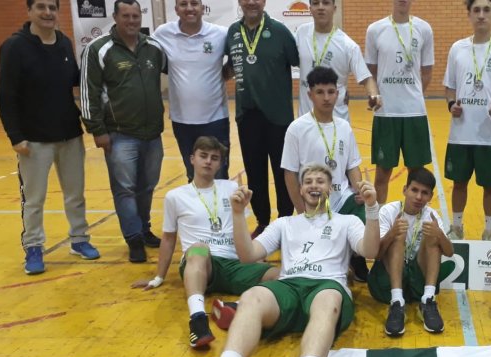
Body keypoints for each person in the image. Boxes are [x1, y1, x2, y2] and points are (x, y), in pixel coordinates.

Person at [183, 164, 380, 357]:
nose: (314, 186)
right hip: (288, 287)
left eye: (320, 181)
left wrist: (371, 208)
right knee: (251, 296)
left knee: (328, 299)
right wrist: (237, 214)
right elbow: (248, 255)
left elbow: (370, 250)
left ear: (330, 189)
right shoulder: (284, 223)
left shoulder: (347, 221)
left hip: (327, 285)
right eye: (308, 181)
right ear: (300, 189)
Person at [130, 137, 278, 349]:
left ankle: (232, 307)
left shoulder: (231, 187)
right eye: (203, 156)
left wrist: (254, 256)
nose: (208, 161)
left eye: (214, 158)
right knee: (199, 248)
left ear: (220, 164)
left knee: (280, 275)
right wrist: (158, 277)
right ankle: (198, 321)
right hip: (200, 263)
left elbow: (241, 227)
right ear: (192, 159)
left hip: (233, 263)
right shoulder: (175, 196)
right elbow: (169, 238)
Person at [0, 0, 100, 275]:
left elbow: (74, 80)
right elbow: (5, 95)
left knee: (75, 195)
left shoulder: (64, 43)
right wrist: (15, 136)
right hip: (33, 140)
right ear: (29, 11)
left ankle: (79, 239)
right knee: (34, 199)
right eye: (41, 7)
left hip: (70, 135)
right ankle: (33, 246)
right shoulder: (14, 46)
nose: (47, 13)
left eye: (52, 8)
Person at [80, 0, 165, 263]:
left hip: (153, 134)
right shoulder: (98, 49)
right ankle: (134, 239)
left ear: (141, 17)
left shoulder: (153, 47)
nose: (131, 21)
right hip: (120, 134)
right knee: (125, 189)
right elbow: (88, 92)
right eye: (125, 15)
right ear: (115, 17)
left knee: (147, 187)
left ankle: (144, 228)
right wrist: (97, 130)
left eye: (135, 16)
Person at [282, 66, 370, 281]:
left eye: (331, 92)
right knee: (314, 257)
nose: (326, 98)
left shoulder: (344, 127)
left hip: (342, 198)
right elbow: (290, 174)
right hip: (314, 201)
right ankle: (340, 257)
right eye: (320, 92)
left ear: (337, 93)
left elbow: (352, 166)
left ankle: (356, 256)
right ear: (310, 94)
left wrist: (359, 189)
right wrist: (301, 211)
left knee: (370, 215)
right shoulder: (297, 128)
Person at [443, 0, 491, 240]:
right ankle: (456, 227)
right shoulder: (457, 48)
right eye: (476, 10)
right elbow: (450, 87)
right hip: (461, 132)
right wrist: (451, 105)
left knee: (490, 185)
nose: (481, 15)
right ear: (469, 14)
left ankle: (489, 230)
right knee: (459, 183)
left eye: (486, 10)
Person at [226, 0, 300, 238]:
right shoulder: (233, 32)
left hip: (279, 116)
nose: (251, 2)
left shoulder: (279, 31)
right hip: (247, 116)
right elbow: (228, 67)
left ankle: (285, 221)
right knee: (255, 173)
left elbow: (301, 61)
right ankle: (263, 223)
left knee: (283, 172)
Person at [368, 167, 454, 337]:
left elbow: (450, 252)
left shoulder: (431, 215)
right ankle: (396, 302)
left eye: (425, 193)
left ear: (430, 196)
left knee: (433, 236)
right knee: (397, 236)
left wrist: (439, 235)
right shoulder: (388, 211)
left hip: (417, 280)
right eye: (414, 190)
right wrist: (392, 233)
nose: (419, 197)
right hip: (389, 278)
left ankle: (428, 299)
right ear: (405, 190)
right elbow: (375, 255)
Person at [152, 0, 231, 182]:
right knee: (193, 174)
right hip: (182, 121)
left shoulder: (220, 34)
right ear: (176, 9)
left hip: (215, 120)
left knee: (219, 175)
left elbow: (237, 59)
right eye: (183, 4)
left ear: (202, 8)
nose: (189, 8)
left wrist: (224, 74)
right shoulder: (163, 33)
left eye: (194, 3)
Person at [365, 0, 434, 203]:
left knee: (417, 175)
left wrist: (413, 95)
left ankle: (414, 218)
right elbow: (370, 71)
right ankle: (378, 219)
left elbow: (427, 72)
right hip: (386, 113)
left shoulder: (424, 29)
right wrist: (376, 95)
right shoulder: (375, 30)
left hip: (414, 113)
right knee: (382, 174)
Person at [295, 0, 382, 122]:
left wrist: (374, 95)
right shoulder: (301, 33)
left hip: (337, 122)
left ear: (334, 8)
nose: (320, 7)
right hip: (306, 123)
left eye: (326, 3)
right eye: (315, 3)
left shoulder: (348, 46)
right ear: (310, 9)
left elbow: (366, 78)